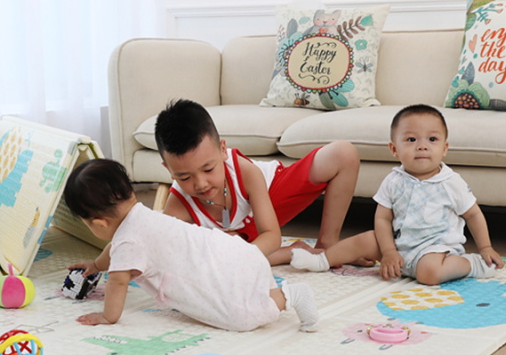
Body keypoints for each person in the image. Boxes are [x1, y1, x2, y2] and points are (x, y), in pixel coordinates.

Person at [63, 158, 320, 332]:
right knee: (249, 288)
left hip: (224, 269)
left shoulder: (127, 241)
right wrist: (96, 265)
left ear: (99, 223)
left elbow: (118, 281)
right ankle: (279, 286)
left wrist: (107, 317)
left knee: (241, 315)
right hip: (235, 252)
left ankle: (291, 295)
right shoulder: (143, 216)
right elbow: (116, 252)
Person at [289, 104, 505, 285]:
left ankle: (472, 265)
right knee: (366, 239)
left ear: (445, 148)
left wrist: (485, 247)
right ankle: (322, 260)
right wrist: (389, 251)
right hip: (397, 245)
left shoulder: (451, 182)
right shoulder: (393, 181)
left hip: (434, 250)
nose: (422, 146)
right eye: (411, 140)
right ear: (394, 149)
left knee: (429, 273)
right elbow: (383, 219)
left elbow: (473, 215)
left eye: (432, 139)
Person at [153, 99, 363, 266]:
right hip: (240, 239)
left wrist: (235, 257)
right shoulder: (178, 206)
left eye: (208, 169)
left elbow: (271, 236)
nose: (201, 184)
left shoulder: (245, 172)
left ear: (223, 150)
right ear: (169, 170)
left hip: (271, 197)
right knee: (206, 256)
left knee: (344, 153)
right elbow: (169, 256)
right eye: (185, 177)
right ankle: (290, 253)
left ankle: (328, 244)